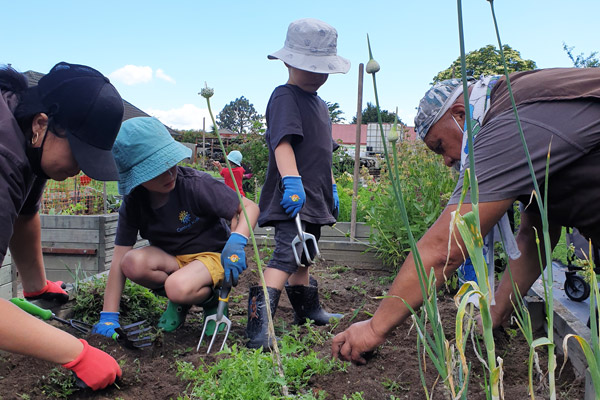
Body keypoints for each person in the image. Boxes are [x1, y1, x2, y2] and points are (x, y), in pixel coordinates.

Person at [332, 67, 600, 365]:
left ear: (459, 115)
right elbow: (537, 236)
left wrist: (373, 327)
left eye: (440, 146)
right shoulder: (514, 107)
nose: (447, 160)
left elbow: (444, 249)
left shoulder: (507, 121)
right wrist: (496, 314)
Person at [0, 62, 124, 389]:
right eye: (79, 155)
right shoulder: (3, 158)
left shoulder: (28, 142)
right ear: (42, 123)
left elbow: (25, 216)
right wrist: (77, 353)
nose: (81, 169)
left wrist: (36, 286)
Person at [93, 117, 259, 338]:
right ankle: (182, 298)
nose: (170, 173)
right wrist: (108, 316)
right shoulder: (134, 202)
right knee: (131, 263)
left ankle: (210, 301)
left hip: (212, 256)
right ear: (136, 176)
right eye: (157, 169)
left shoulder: (196, 185)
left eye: (170, 163)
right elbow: (118, 258)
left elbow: (249, 207)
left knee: (176, 287)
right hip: (174, 260)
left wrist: (237, 240)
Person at [246, 18, 350, 349]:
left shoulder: (320, 105)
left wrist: (331, 187)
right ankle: (257, 325)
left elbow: (324, 153)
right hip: (293, 196)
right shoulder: (284, 97)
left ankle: (307, 311)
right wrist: (292, 181)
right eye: (312, 67)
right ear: (289, 62)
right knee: (285, 256)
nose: (320, 75)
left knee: (304, 255)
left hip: (314, 197)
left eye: (324, 69)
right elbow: (282, 143)